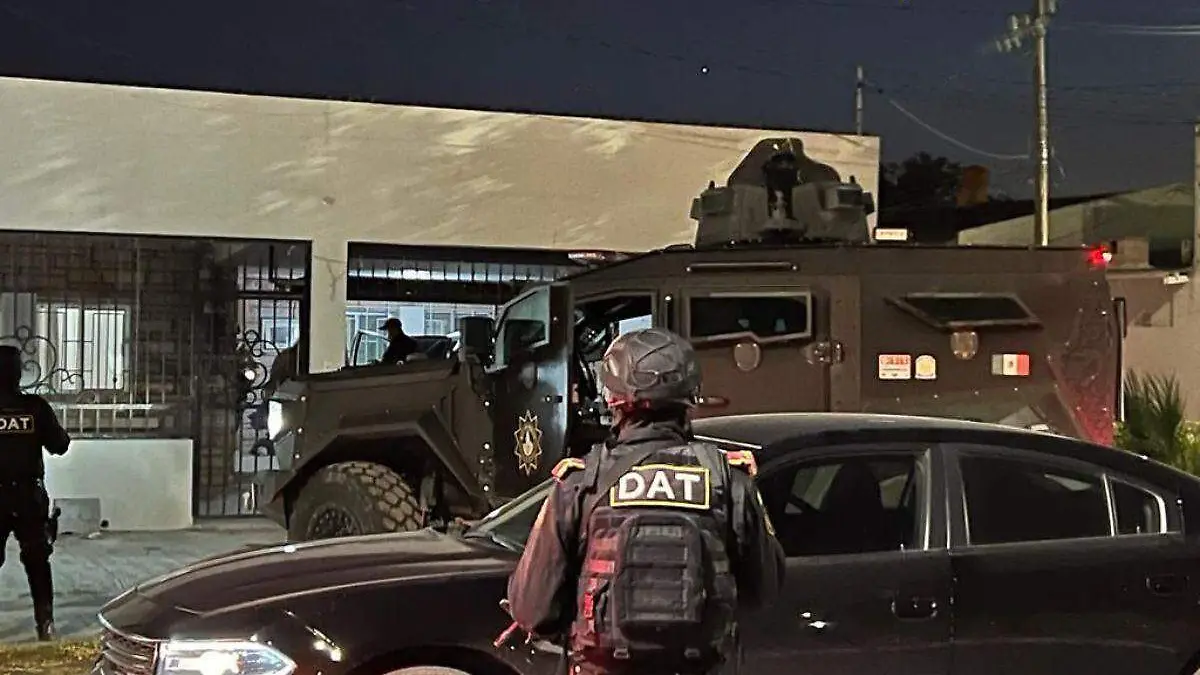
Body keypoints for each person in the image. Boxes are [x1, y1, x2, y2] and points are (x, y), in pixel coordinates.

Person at [506, 328, 785, 675]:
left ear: (612, 400)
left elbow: (533, 610)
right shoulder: (728, 481)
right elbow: (764, 591)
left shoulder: (581, 483)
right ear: (690, 399)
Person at [0, 345, 70, 641]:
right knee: (37, 561)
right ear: (19, 374)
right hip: (29, 497)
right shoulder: (35, 408)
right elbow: (60, 445)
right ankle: (45, 624)